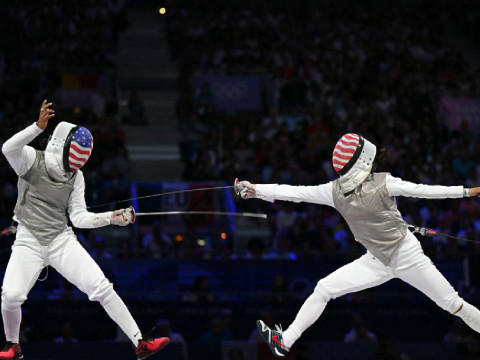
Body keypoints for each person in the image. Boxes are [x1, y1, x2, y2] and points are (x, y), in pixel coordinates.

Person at [235, 133, 480, 358]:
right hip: (375, 261)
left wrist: (468, 192)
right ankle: (285, 341)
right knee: (324, 288)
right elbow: (293, 192)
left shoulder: (383, 182)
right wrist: (255, 190)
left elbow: (425, 191)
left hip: (408, 256)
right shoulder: (334, 191)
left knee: (453, 304)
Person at [0, 100, 169, 360]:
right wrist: (37, 127)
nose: (68, 170)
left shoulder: (76, 177)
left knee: (101, 287)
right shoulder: (32, 159)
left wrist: (112, 218)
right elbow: (7, 148)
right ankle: (13, 344)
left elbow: (78, 218)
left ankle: (140, 342)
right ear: (59, 145)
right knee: (11, 295)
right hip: (28, 240)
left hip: (60, 240)